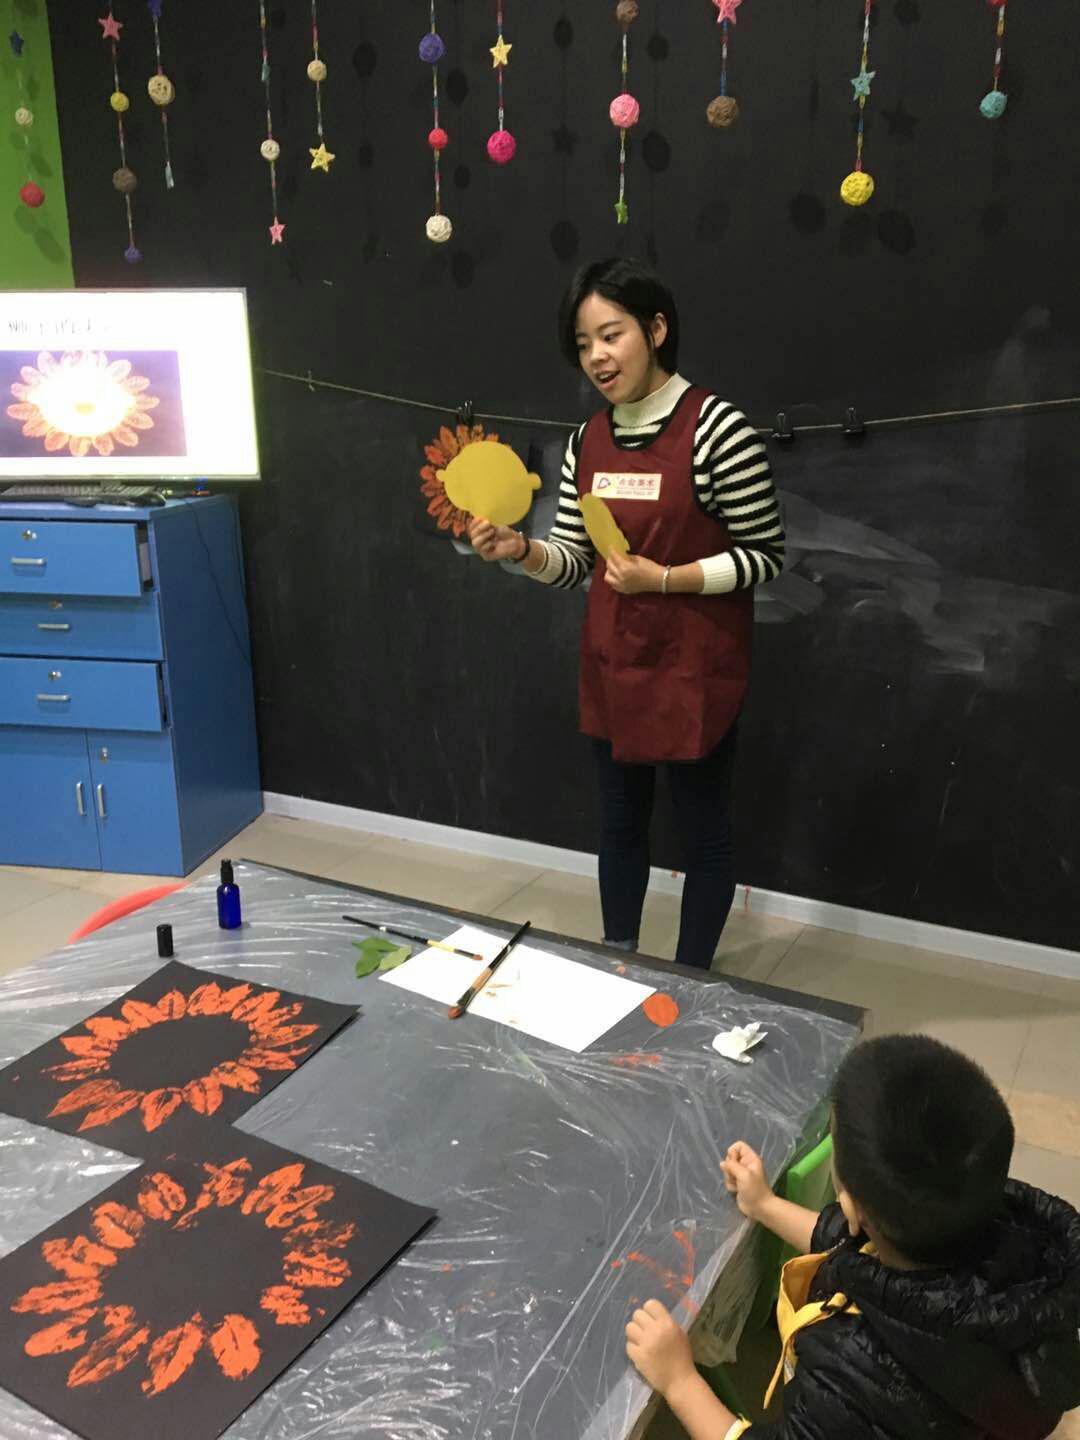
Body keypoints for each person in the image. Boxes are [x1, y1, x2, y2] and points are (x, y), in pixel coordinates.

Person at [469, 258, 785, 970]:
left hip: (695, 669)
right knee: (618, 825)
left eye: (611, 335)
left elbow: (764, 555)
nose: (597, 358)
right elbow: (575, 559)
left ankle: (692, 975)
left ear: (657, 329)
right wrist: (522, 550)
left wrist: (664, 578)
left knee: (703, 833)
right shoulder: (588, 440)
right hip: (615, 662)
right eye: (584, 344)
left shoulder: (717, 429)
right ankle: (620, 962)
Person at [624, 1034, 1080, 1438]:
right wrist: (764, 1204)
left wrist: (679, 1380)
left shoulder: (852, 1378)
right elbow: (848, 1243)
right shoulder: (1019, 1239)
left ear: (853, 1204)